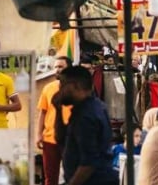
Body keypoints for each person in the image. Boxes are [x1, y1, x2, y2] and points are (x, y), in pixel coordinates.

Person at [57, 65, 116, 185]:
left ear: (75, 86)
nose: (59, 90)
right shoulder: (94, 106)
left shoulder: (85, 116)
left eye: (62, 85)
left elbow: (89, 163)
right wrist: (57, 110)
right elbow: (60, 138)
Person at [38, 56, 72, 185]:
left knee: (72, 175)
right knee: (50, 177)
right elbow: (42, 112)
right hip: (50, 139)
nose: (57, 69)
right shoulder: (48, 88)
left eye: (61, 66)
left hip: (70, 139)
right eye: (56, 67)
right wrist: (38, 135)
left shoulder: (76, 89)